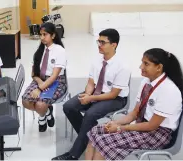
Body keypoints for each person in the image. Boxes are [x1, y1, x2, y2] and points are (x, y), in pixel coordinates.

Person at [85, 48, 183, 160]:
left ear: (159, 67)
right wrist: (115, 123)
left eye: (146, 64)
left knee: (103, 141)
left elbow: (152, 126)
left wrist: (120, 128)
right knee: (95, 131)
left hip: (157, 134)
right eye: (142, 62)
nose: (141, 67)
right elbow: (135, 113)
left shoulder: (169, 90)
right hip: (142, 125)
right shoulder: (146, 82)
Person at [52, 28, 131, 160]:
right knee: (69, 106)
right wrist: (87, 94)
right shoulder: (97, 60)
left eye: (103, 42)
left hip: (115, 98)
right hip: (95, 93)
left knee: (90, 114)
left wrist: (91, 98)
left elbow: (113, 94)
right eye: (98, 42)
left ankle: (73, 154)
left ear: (114, 45)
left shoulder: (123, 66)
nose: (99, 45)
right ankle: (91, 137)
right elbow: (91, 82)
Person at [22, 22, 67, 132]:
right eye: (40, 35)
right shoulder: (39, 51)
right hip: (40, 80)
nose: (42, 37)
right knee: (25, 101)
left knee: (40, 104)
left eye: (45, 34)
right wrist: (39, 82)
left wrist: (40, 88)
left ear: (53, 36)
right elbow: (33, 74)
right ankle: (46, 113)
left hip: (56, 81)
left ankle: (42, 116)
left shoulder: (60, 51)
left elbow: (55, 75)